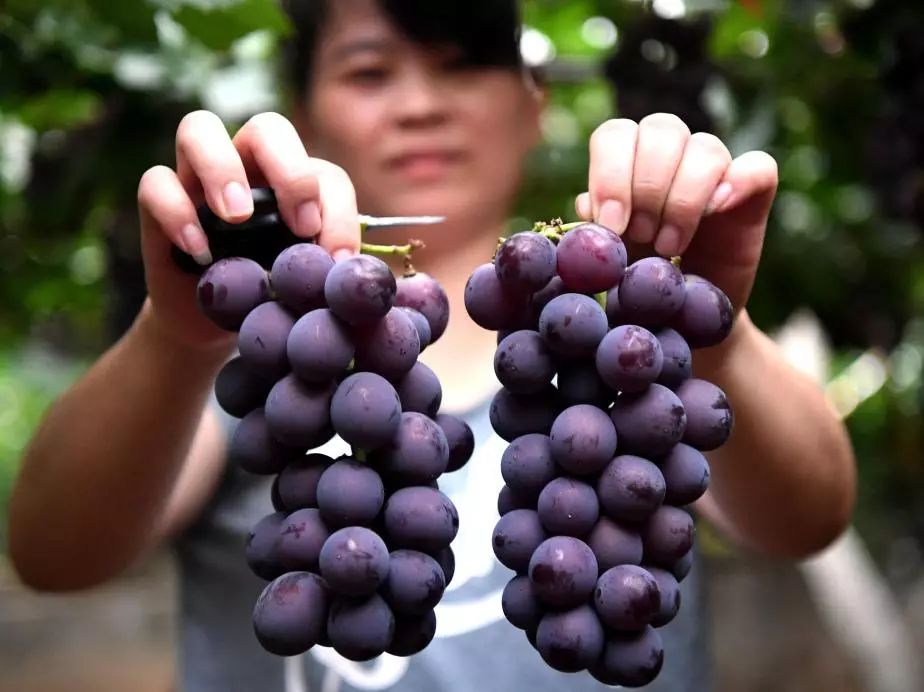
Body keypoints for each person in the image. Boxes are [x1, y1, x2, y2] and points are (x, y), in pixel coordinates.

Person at [7, 1, 857, 690]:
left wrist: (707, 334)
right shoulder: (264, 349)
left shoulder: (607, 341)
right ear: (305, 114)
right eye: (369, 70)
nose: (420, 103)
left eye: (462, 64)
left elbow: (809, 519)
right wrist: (176, 339)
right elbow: (50, 554)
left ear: (534, 105)